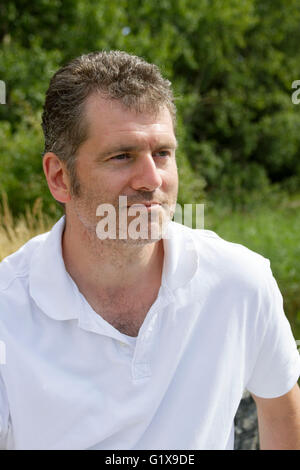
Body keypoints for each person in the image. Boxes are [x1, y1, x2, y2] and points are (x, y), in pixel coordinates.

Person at [0, 51, 299, 451]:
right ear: (59, 177)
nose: (151, 180)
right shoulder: (8, 308)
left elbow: (281, 412)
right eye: (122, 156)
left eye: (162, 153)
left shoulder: (240, 282)